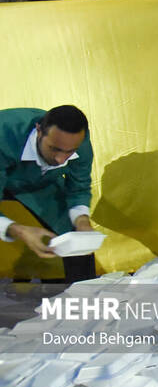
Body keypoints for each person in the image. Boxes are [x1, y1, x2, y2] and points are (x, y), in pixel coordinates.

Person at [0, 105, 97, 283]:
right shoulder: (3, 134)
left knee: (73, 230)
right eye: (55, 149)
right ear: (39, 131)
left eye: (70, 152)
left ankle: (79, 294)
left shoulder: (79, 142)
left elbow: (78, 188)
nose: (61, 160)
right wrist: (18, 230)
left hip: (38, 183)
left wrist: (82, 220)